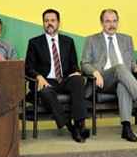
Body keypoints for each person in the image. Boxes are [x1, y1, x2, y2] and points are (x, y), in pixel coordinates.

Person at [81, 9, 137, 142]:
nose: (111, 24)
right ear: (102, 23)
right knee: (119, 67)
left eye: (114, 21)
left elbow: (130, 62)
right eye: (107, 21)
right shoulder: (92, 40)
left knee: (123, 86)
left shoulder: (126, 39)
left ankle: (126, 128)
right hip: (102, 80)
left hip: (122, 79)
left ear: (118, 22)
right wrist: (95, 72)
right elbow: (84, 63)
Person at [25, 9, 89, 143]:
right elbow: (28, 67)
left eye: (52, 20)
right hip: (46, 80)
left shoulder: (68, 41)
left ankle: (79, 122)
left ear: (58, 23)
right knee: (46, 91)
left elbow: (73, 64)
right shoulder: (35, 42)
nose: (49, 23)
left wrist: (76, 71)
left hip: (64, 79)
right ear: (43, 23)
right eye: (46, 21)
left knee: (78, 80)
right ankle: (71, 127)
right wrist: (38, 76)